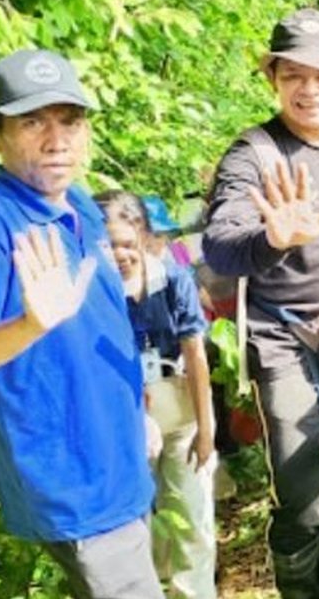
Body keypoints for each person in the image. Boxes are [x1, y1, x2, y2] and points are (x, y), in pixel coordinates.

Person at [0, 49, 162, 599]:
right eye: (32, 121)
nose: (56, 138)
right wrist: (26, 326)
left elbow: (104, 327)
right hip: (77, 488)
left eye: (69, 120)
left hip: (122, 465)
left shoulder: (83, 209)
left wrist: (139, 415)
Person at [202, 7, 319, 599]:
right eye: (294, 76)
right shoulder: (254, 155)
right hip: (284, 345)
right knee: (306, 496)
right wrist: (273, 237)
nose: (310, 90)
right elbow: (221, 245)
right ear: (275, 81)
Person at [97, 190, 217, 599]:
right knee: (138, 521)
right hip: (123, 416)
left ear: (145, 238)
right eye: (109, 244)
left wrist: (206, 428)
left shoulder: (173, 280)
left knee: (192, 510)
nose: (120, 254)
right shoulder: (91, 292)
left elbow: (196, 355)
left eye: (128, 244)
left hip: (177, 402)